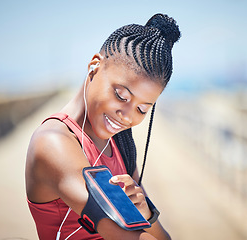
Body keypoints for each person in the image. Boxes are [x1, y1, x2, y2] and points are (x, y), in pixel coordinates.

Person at [25, 13, 180, 240]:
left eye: (142, 109)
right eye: (121, 95)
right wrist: (143, 222)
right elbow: (123, 234)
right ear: (95, 65)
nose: (126, 117)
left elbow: (161, 237)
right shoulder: (53, 142)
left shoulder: (120, 142)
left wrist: (146, 213)